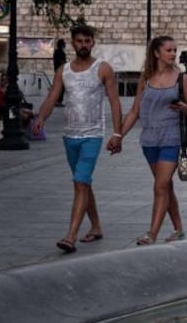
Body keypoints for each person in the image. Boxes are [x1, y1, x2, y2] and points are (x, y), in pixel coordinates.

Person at [32, 24, 124, 254]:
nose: (84, 45)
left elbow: (114, 101)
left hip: (93, 135)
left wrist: (117, 133)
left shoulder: (102, 69)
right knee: (83, 182)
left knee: (80, 181)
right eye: (79, 41)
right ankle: (96, 226)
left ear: (93, 43)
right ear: (73, 43)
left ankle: (70, 236)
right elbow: (54, 95)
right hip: (69, 136)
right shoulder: (64, 71)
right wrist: (41, 116)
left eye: (87, 41)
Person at [119, 35, 187, 245]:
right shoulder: (145, 79)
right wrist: (119, 136)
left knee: (160, 186)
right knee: (166, 187)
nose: (173, 54)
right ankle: (178, 228)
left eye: (175, 50)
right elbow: (135, 111)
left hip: (172, 138)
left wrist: (184, 108)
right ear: (156, 53)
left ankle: (151, 234)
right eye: (169, 50)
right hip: (149, 139)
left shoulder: (182, 79)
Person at [53, 39, 67, 107]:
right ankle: (58, 101)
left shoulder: (56, 52)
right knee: (62, 87)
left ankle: (57, 101)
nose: (65, 44)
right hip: (61, 71)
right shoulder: (61, 52)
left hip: (57, 70)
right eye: (64, 43)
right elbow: (62, 62)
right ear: (62, 44)